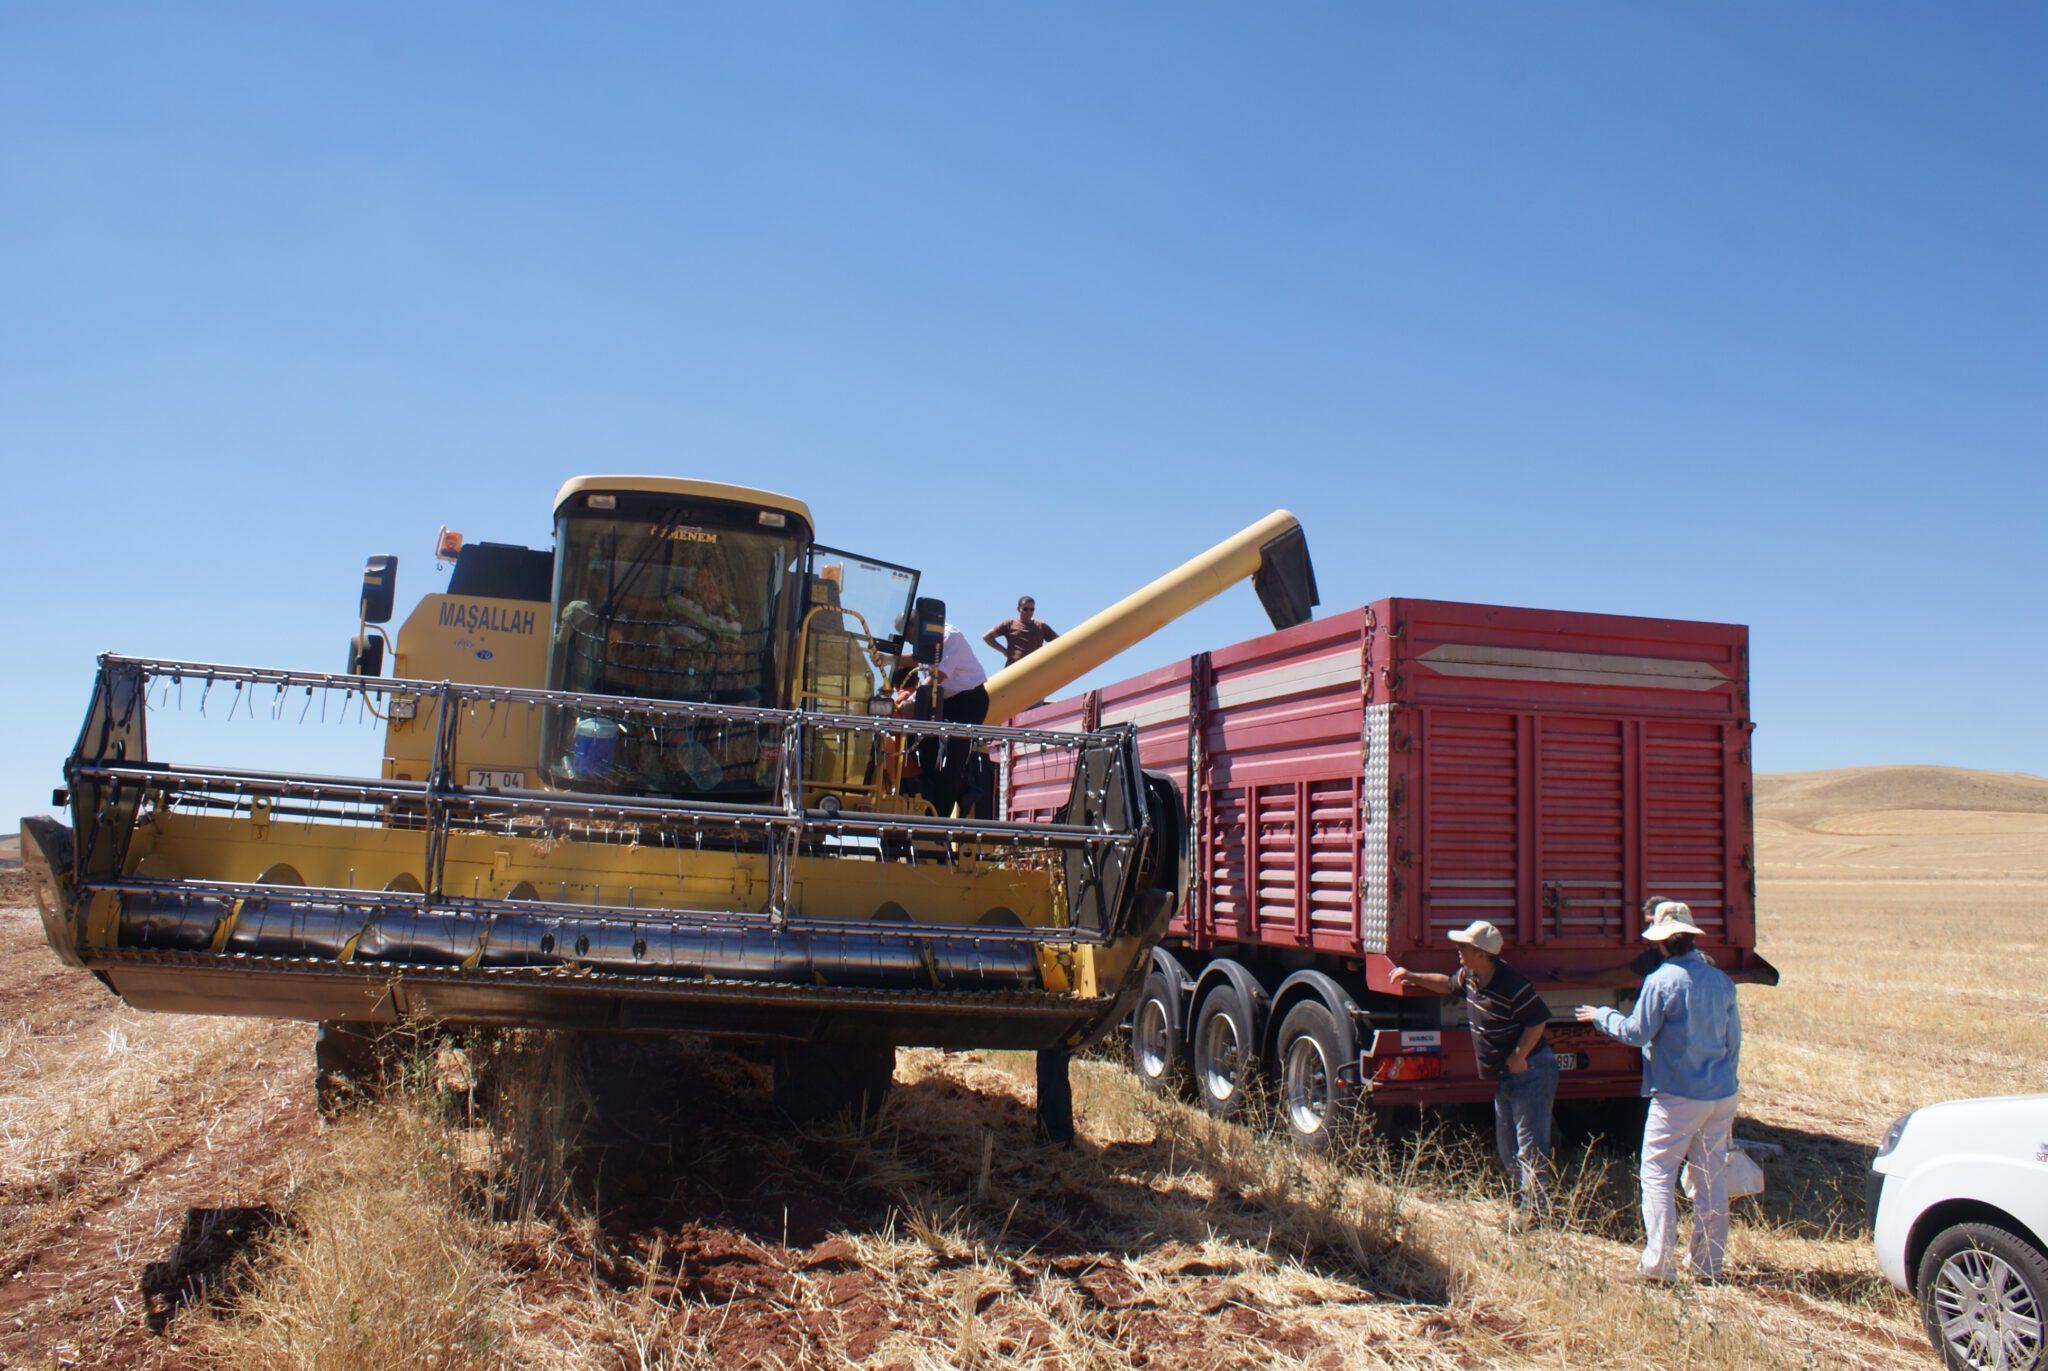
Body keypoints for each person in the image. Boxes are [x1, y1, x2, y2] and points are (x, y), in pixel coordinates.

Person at [1575, 901, 1743, 1283]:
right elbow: (1734, 1041)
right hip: (1721, 1094)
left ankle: (1657, 1265)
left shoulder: (1661, 980)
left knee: (1657, 1175)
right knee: (1710, 1178)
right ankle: (1708, 1265)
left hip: (1678, 1096)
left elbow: (1637, 1033)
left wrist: (1602, 1015)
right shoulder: (1721, 980)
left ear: (1662, 942)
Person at [1391, 920, 1558, 1218]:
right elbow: (1446, 983)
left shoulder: (1512, 983)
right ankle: (1525, 1204)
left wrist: (1520, 1054)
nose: (1458, 951)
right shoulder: (1470, 976)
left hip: (1531, 1071)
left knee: (1529, 1146)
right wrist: (1412, 976)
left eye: (1464, 947)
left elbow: (1538, 1019)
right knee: (1508, 1148)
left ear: (1481, 953)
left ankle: (1536, 1212)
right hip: (1507, 1074)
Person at [911, 624, 990, 816]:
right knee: (924, 749)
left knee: (952, 759)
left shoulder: (950, 637)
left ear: (916, 625)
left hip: (968, 701)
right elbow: (917, 661)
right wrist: (891, 659)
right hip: (944, 700)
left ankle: (940, 818)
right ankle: (959, 792)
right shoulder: (928, 639)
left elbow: (938, 674)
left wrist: (913, 699)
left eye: (909, 635)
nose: (910, 642)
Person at [984, 597, 1059, 666]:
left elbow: (1059, 641)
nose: (1029, 612)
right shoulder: (1009, 624)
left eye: (1032, 609)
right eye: (1025, 609)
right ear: (1018, 609)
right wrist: (1003, 651)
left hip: (1035, 668)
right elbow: (987, 637)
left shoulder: (1041, 626)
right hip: (1014, 668)